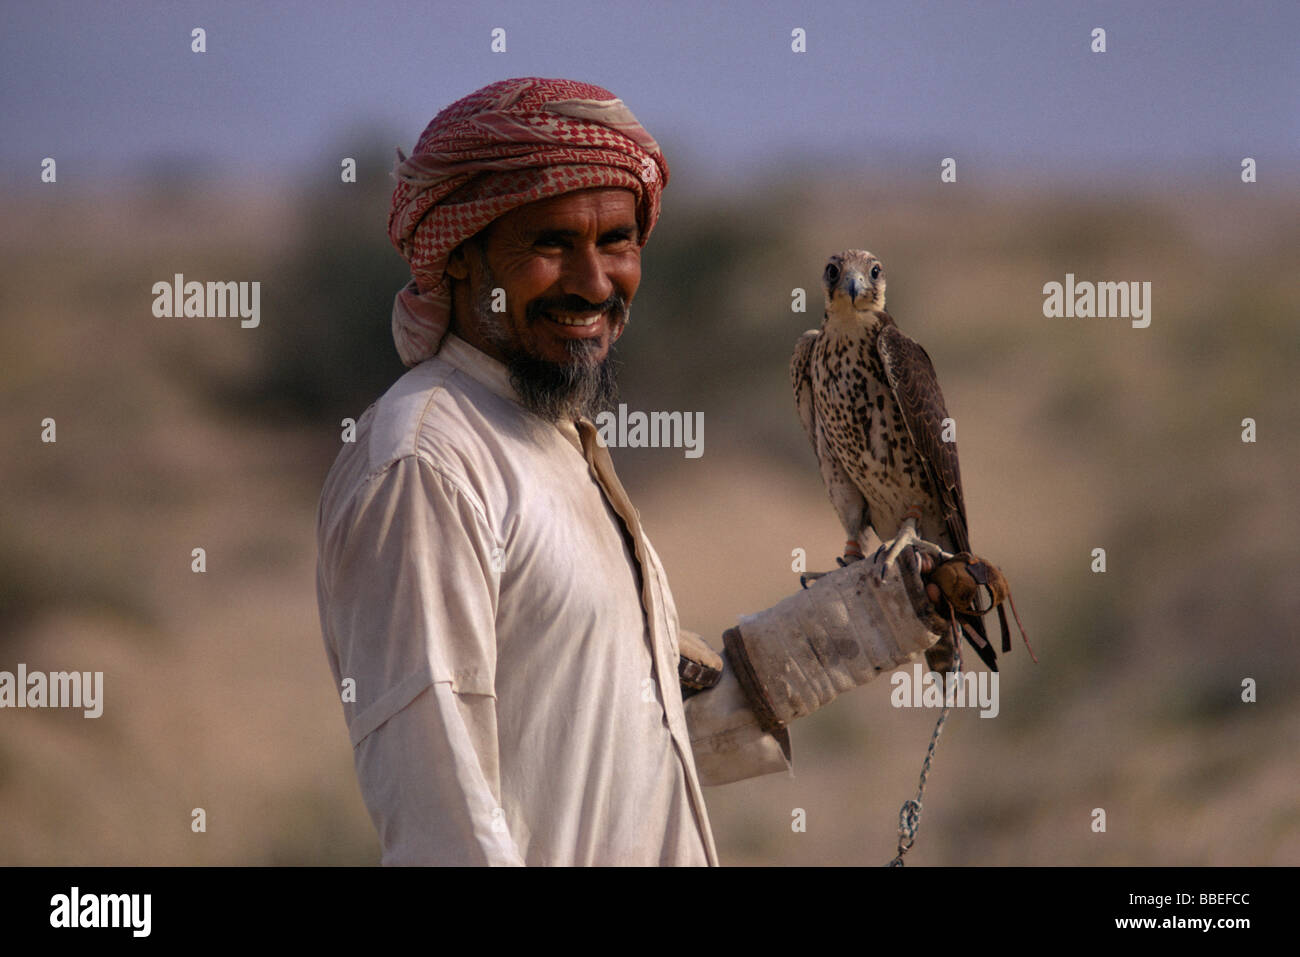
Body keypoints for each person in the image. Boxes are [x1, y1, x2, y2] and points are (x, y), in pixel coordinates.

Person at [315, 77, 949, 865]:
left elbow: (620, 740)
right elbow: (441, 824)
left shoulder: (552, 436)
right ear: (458, 259)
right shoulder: (426, 465)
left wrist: (877, 617)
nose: (592, 282)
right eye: (550, 244)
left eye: (616, 242)